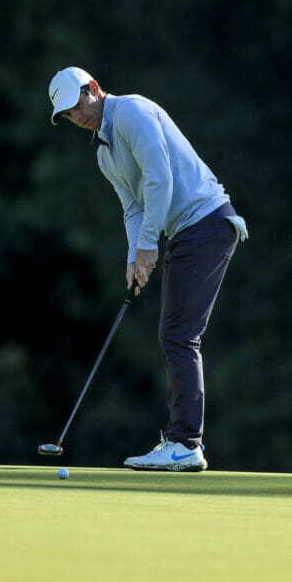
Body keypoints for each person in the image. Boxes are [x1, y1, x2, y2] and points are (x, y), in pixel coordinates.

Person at [48, 66, 247, 471]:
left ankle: (185, 443)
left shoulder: (132, 112)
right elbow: (133, 208)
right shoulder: (104, 153)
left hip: (206, 223)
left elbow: (160, 179)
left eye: (77, 105)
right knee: (176, 333)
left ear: (94, 88)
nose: (77, 116)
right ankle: (183, 441)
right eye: (68, 114)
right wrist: (133, 259)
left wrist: (147, 247)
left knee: (178, 334)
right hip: (188, 231)